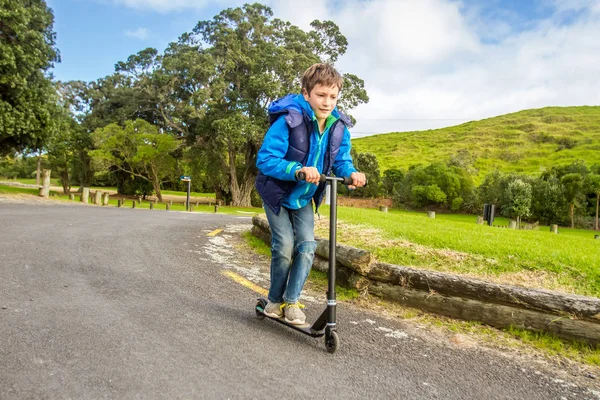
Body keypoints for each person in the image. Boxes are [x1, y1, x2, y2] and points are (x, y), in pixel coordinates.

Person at [255, 63, 366, 325]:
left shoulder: (339, 127)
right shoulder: (288, 121)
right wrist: (297, 170)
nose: (327, 102)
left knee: (307, 247)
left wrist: (351, 174)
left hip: (304, 197)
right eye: (321, 95)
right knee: (284, 246)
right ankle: (274, 301)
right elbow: (266, 159)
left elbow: (341, 161)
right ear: (306, 93)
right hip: (278, 194)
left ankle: (291, 302)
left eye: (333, 97)